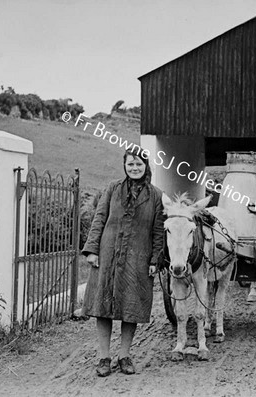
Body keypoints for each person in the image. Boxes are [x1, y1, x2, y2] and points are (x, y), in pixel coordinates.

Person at [82, 148, 164, 377]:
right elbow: (99, 218)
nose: (134, 168)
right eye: (130, 164)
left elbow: (158, 231)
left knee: (132, 307)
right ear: (125, 166)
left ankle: (124, 356)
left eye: (139, 164)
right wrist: (92, 250)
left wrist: (155, 259)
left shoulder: (156, 195)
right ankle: (104, 357)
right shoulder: (112, 189)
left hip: (137, 258)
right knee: (103, 307)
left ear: (146, 166)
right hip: (108, 255)